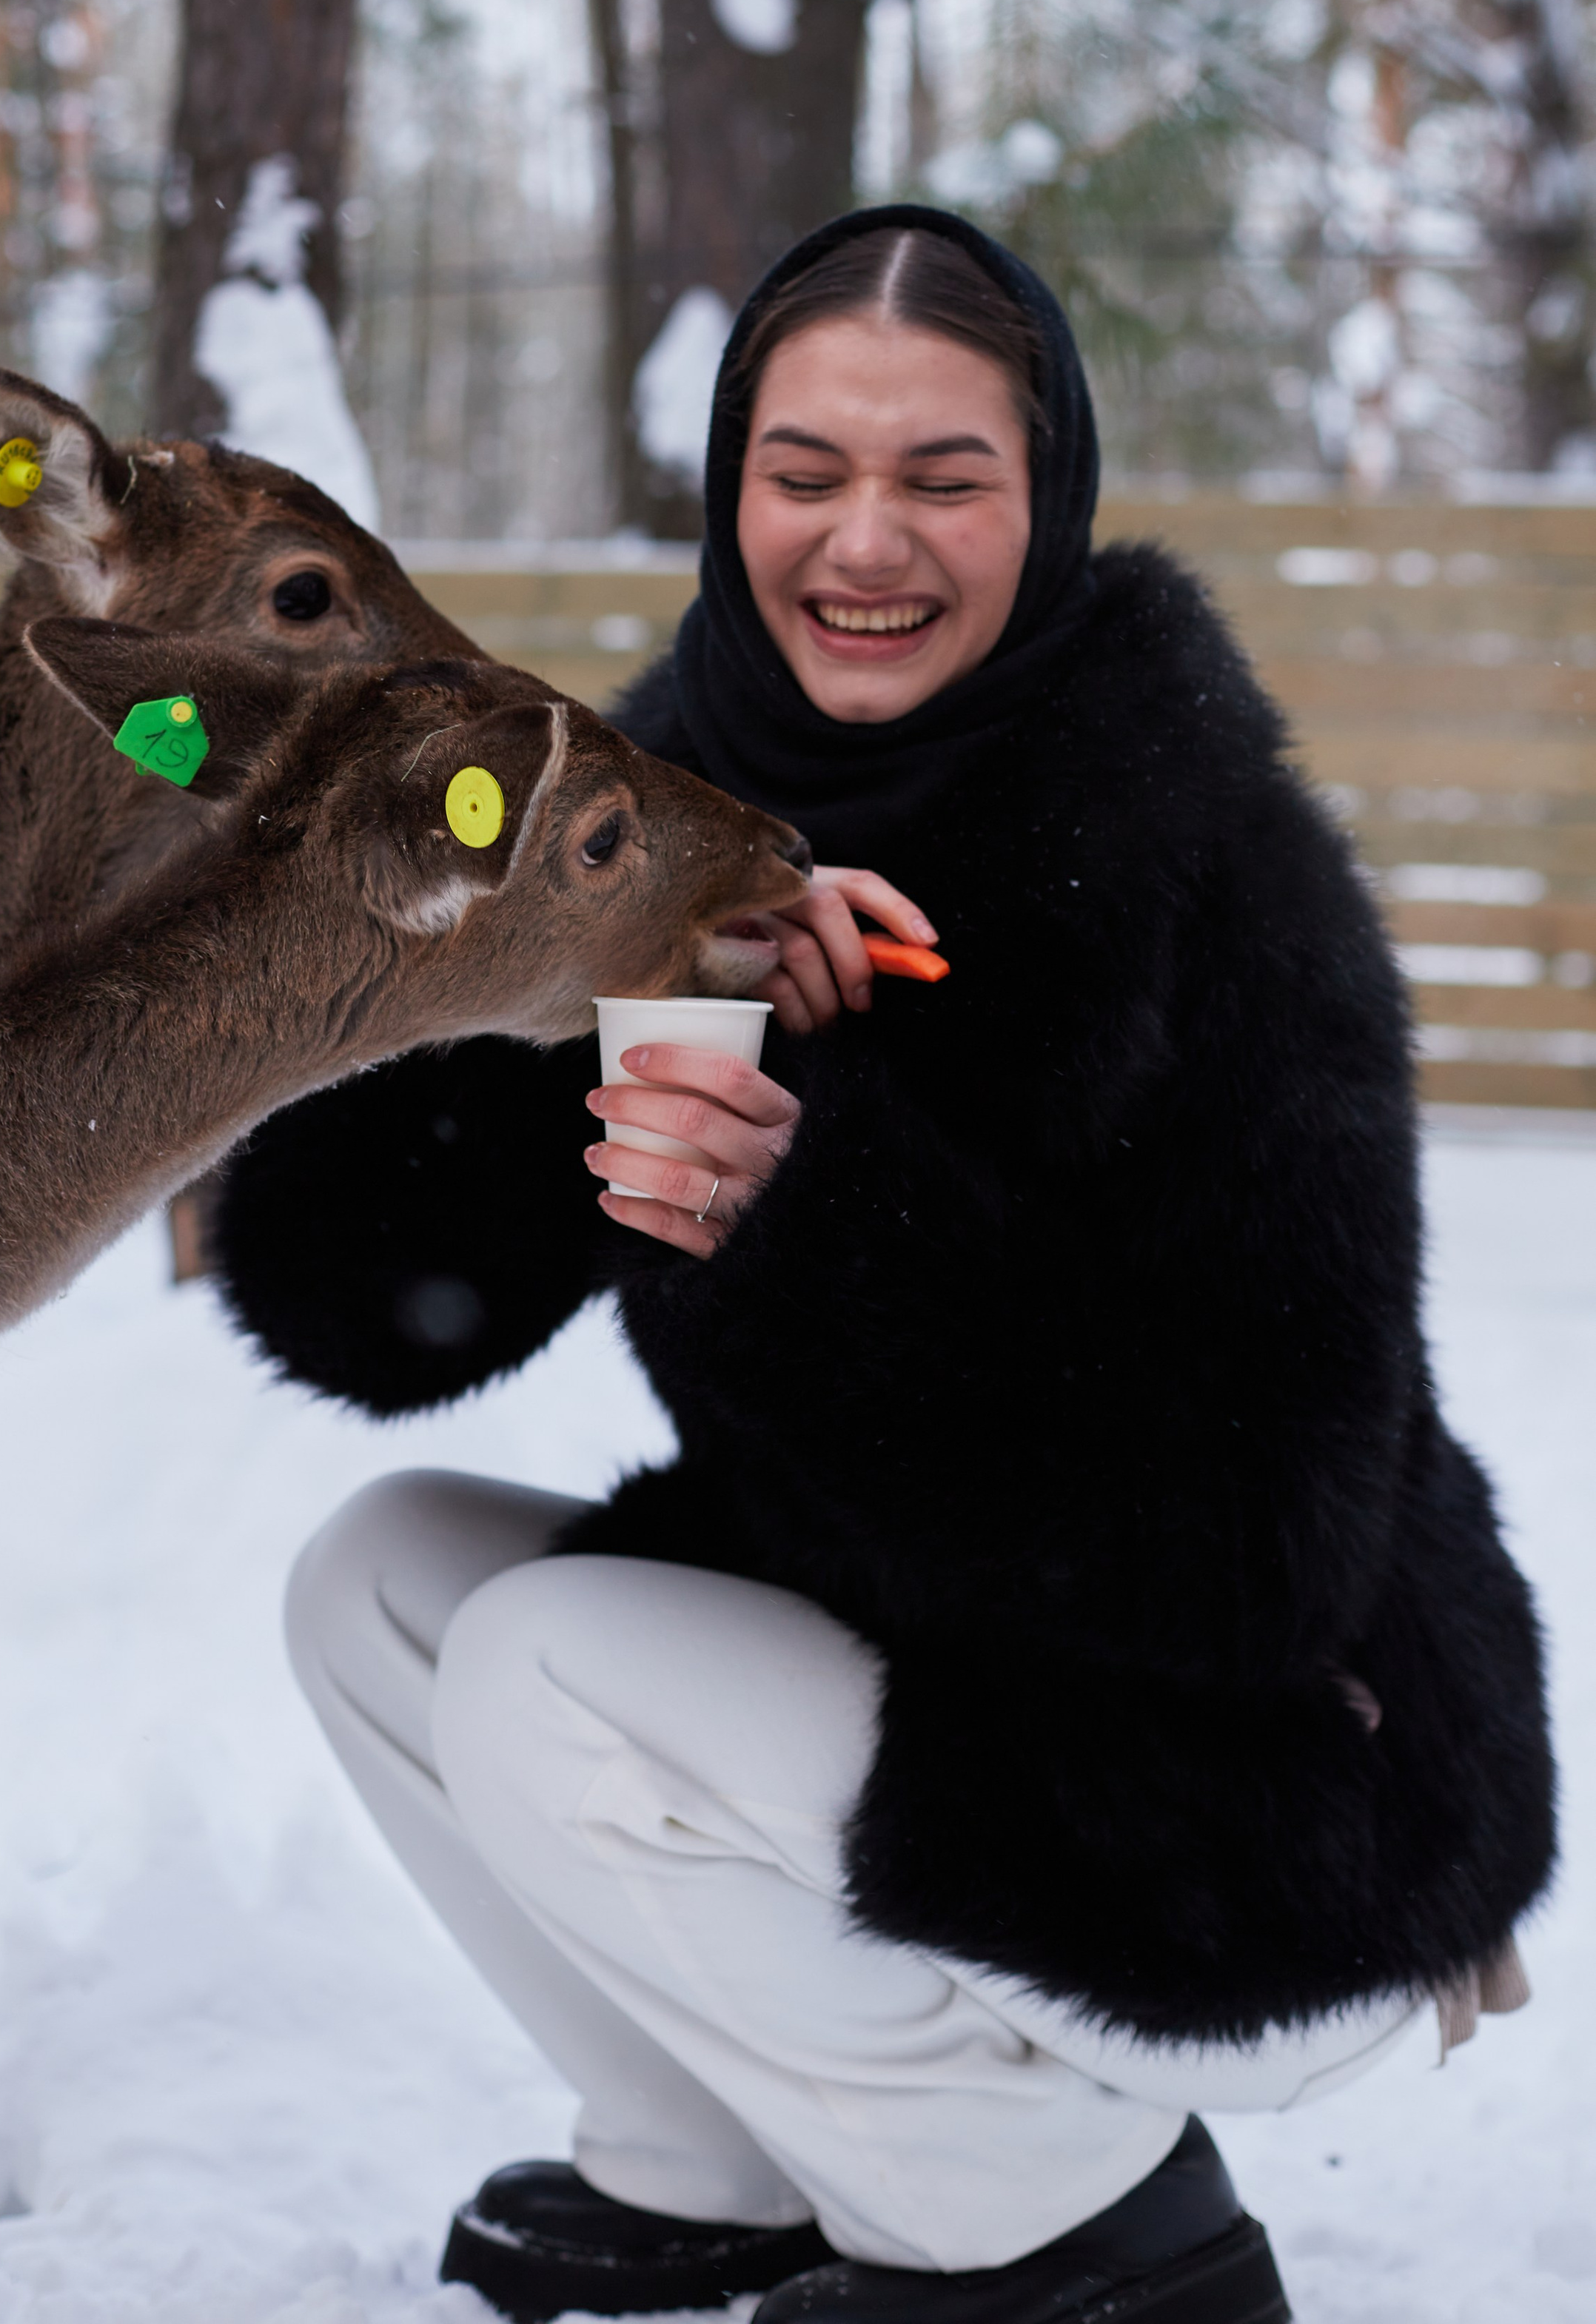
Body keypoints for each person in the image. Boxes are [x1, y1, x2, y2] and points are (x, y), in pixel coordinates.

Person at [214, 207, 1555, 2324]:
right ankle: (725, 2164)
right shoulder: (660, 814)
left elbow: (1247, 1557)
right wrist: (619, 1011)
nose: (867, 544)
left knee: (548, 1675)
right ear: (733, 482)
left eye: (946, 478)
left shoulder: (1213, 872)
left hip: (1246, 1787)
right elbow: (350, 1302)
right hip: (905, 1665)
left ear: (1054, 498)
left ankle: (1076, 2243)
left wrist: (809, 1172)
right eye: (806, 471)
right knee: (383, 1584)